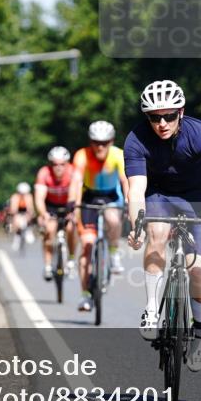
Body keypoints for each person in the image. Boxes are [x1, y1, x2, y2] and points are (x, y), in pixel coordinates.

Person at [125, 80, 201, 373]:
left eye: (169, 116)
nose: (161, 123)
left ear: (181, 113)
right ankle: (151, 309)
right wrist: (136, 222)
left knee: (198, 268)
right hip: (159, 195)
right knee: (157, 232)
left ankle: (199, 329)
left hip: (196, 197)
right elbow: (136, 190)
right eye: (154, 117)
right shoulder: (136, 139)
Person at [69, 120, 128, 313]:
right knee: (86, 244)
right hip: (88, 197)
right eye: (96, 142)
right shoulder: (82, 155)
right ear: (90, 141)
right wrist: (72, 203)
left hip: (111, 195)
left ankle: (113, 252)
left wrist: (129, 200)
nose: (100, 146)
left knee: (112, 219)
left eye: (104, 142)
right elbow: (77, 181)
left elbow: (125, 180)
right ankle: (85, 295)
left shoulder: (118, 154)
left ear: (111, 141)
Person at [34, 146, 77, 282]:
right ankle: (47, 265)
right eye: (55, 164)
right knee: (49, 230)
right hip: (50, 206)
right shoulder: (44, 173)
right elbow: (39, 198)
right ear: (50, 164)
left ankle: (70, 259)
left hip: (68, 205)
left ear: (67, 164)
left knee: (71, 228)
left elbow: (76, 194)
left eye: (62, 164)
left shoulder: (73, 172)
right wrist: (43, 213)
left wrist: (74, 212)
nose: (58, 168)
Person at [7, 182, 35, 250]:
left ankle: (28, 230)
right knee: (16, 221)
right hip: (17, 212)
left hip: (26, 213)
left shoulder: (29, 197)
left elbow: (30, 208)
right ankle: (16, 238)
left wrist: (30, 214)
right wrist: (15, 214)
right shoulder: (15, 197)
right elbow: (13, 208)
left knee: (29, 217)